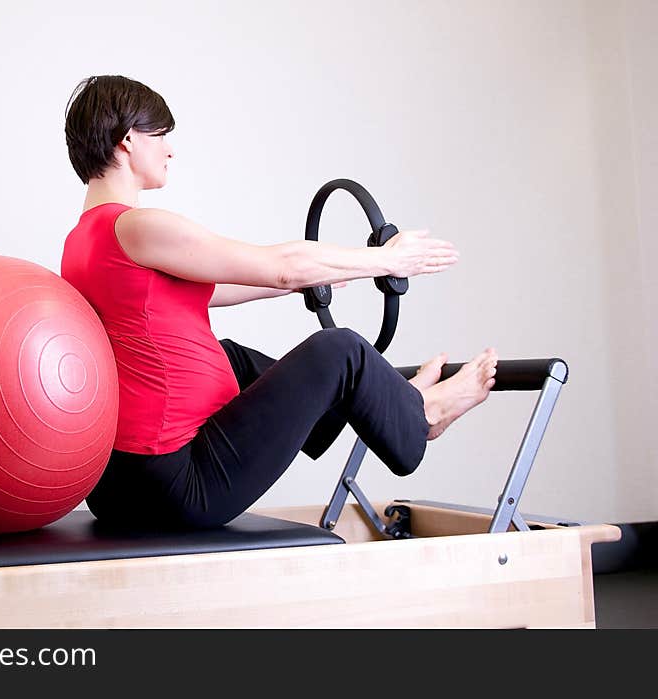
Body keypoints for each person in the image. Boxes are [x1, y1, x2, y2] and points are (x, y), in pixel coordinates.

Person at [61, 75, 498, 530]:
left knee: (230, 356)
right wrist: (387, 259)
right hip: (177, 485)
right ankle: (420, 418)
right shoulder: (139, 227)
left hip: (119, 486)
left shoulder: (85, 239)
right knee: (340, 350)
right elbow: (281, 264)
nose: (170, 149)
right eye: (161, 135)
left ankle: (398, 403)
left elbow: (219, 286)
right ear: (128, 139)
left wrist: (304, 281)